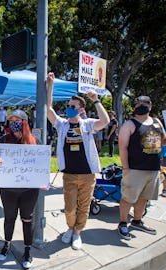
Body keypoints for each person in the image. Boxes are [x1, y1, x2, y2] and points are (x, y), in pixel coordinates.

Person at [46, 72, 109, 250]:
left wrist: (96, 100)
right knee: (69, 208)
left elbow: (105, 120)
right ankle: (70, 227)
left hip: (88, 175)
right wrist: (50, 86)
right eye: (68, 105)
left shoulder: (88, 124)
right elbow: (49, 109)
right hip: (69, 175)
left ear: (81, 109)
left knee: (84, 206)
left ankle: (77, 232)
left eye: (73, 106)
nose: (69, 108)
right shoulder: (62, 124)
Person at [0, 109, 39, 269]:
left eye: (17, 120)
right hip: (8, 189)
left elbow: (40, 165)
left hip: (29, 190)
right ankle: (7, 244)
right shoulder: (3, 141)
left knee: (27, 219)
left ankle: (27, 250)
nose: (14, 123)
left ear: (25, 122)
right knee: (9, 218)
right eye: (11, 120)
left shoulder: (34, 142)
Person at [117, 96, 166, 240]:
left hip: (153, 169)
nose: (142, 105)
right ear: (134, 107)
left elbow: (164, 141)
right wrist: (126, 168)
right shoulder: (129, 124)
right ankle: (122, 223)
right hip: (135, 169)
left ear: (151, 106)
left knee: (144, 198)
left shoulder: (157, 122)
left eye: (145, 103)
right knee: (128, 198)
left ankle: (137, 221)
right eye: (138, 103)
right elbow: (123, 147)